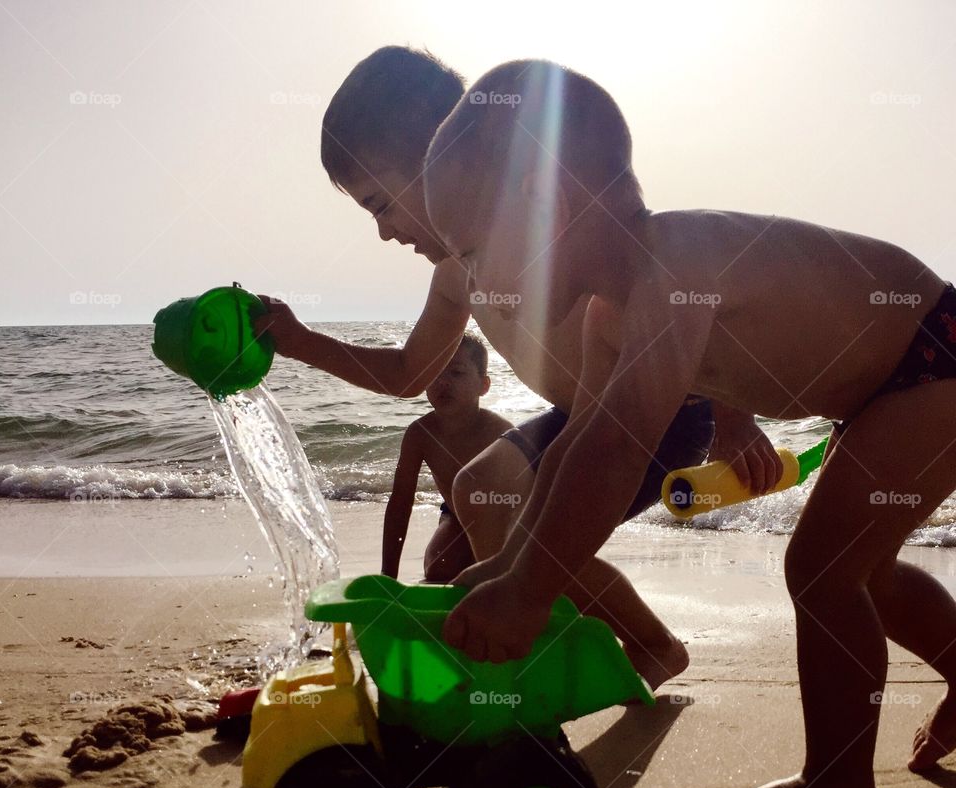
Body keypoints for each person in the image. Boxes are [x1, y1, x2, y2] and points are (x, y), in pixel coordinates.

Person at [423, 57, 956, 788]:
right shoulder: (611, 314)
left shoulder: (677, 262)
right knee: (863, 569)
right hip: (884, 389)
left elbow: (616, 448)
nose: (470, 277)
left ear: (547, 204)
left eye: (469, 251)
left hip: (933, 360)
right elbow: (579, 448)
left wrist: (531, 590)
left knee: (822, 569)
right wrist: (511, 568)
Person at [255, 47, 780, 690]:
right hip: (578, 414)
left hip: (659, 410)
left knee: (530, 527)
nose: (385, 232)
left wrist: (736, 416)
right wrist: (301, 342)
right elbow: (403, 375)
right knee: (483, 494)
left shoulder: (554, 232)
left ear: (442, 154)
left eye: (380, 204)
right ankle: (584, 638)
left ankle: (582, 641)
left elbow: (680, 293)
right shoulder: (457, 275)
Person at [382, 333, 511, 582]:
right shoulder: (420, 434)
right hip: (456, 516)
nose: (442, 382)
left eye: (457, 373)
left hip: (503, 518)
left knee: (496, 573)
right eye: (434, 372)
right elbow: (400, 502)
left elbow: (529, 498)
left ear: (484, 385)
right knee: (440, 568)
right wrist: (388, 578)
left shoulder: (500, 432)